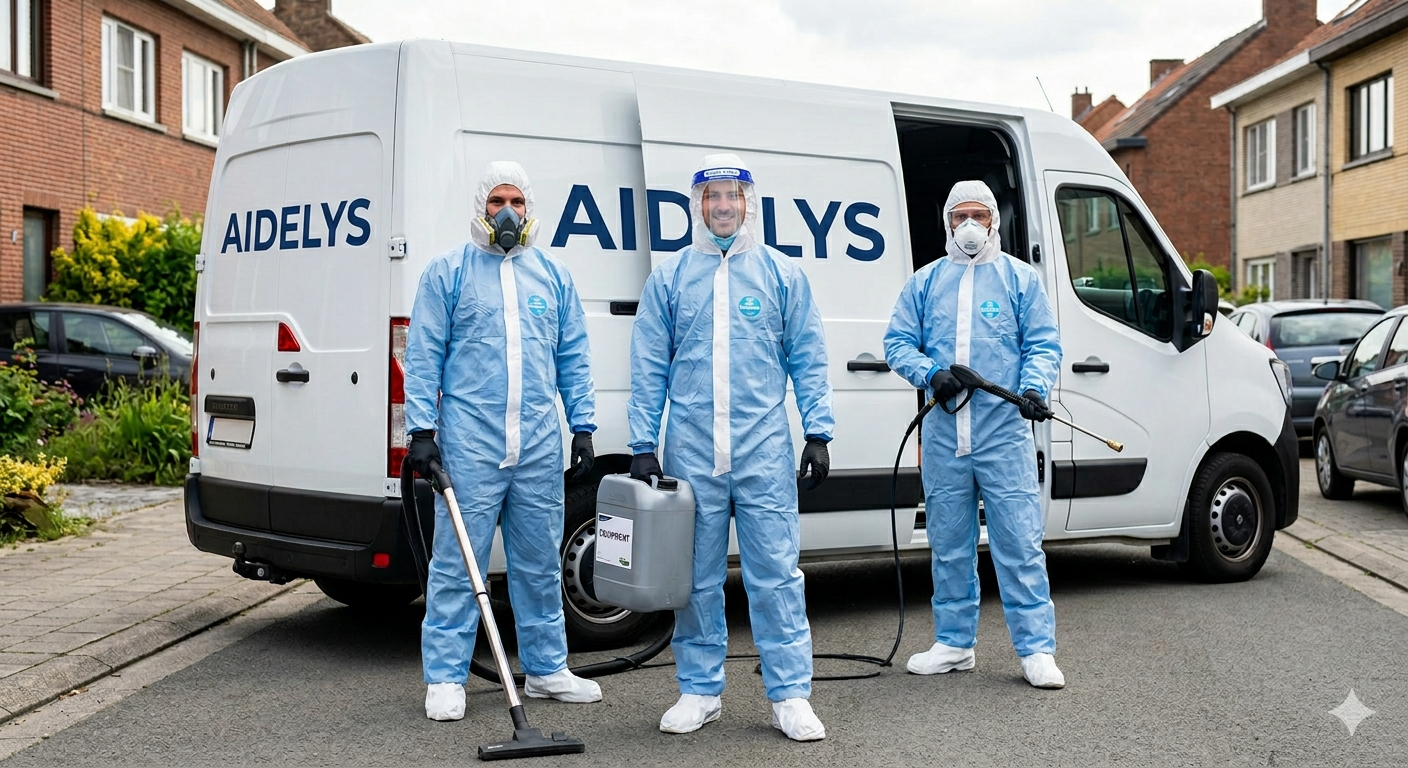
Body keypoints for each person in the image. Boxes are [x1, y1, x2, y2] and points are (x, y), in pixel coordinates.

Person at [627, 153, 834, 742]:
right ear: (698, 204)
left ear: (749, 203)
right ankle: (699, 689)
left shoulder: (781, 275)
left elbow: (809, 358)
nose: (723, 206)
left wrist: (818, 431)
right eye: (713, 196)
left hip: (763, 448)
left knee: (775, 574)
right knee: (696, 577)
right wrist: (643, 443)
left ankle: (791, 694)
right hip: (693, 452)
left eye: (733, 196)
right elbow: (648, 366)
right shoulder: (670, 278)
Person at [405, 161, 602, 721]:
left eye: (517, 200)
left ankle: (545, 669)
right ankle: (444, 676)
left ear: (530, 207)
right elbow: (423, 358)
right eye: (497, 202)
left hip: (538, 443)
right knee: (456, 563)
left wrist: (582, 425)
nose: (509, 212)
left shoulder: (553, 277)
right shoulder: (447, 274)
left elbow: (573, 358)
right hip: (470, 443)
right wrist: (421, 432)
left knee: (539, 561)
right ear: (480, 208)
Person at [882, 180, 1066, 689]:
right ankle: (954, 643)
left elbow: (1044, 343)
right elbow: (897, 340)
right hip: (945, 435)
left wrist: (1032, 388)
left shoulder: (1019, 280)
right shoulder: (924, 283)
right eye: (959, 215)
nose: (968, 225)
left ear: (994, 222)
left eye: (978, 216)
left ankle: (1036, 650)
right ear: (946, 223)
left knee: (1019, 541)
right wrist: (929, 373)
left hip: (1003, 433)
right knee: (948, 543)